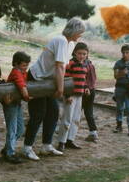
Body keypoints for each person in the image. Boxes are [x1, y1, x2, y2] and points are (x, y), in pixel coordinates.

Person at [23, 17, 86, 161]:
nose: (80, 36)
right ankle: (27, 148)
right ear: (74, 30)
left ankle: (46, 146)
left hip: (49, 81)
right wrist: (61, 89)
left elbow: (62, 67)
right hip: (37, 78)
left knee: (53, 112)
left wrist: (59, 87)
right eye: (80, 32)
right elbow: (59, 66)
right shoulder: (61, 40)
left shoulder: (70, 44)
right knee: (38, 113)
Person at [57, 42, 89, 151]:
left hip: (79, 96)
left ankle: (70, 140)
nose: (82, 56)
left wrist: (86, 88)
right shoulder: (70, 63)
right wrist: (68, 95)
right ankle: (62, 141)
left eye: (84, 54)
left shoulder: (86, 64)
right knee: (67, 119)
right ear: (75, 53)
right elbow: (66, 80)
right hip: (70, 96)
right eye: (79, 53)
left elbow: (83, 79)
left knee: (76, 119)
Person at [2, 52, 31, 164]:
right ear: (15, 64)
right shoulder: (16, 72)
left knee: (20, 130)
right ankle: (10, 153)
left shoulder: (22, 72)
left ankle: (7, 149)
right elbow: (22, 87)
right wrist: (28, 97)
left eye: (26, 66)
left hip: (17, 103)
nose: (25, 68)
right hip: (10, 104)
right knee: (12, 129)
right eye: (23, 65)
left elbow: (26, 82)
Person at [83, 49, 99, 142]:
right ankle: (93, 132)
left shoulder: (84, 65)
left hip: (85, 91)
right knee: (89, 112)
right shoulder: (91, 64)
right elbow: (94, 78)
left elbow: (82, 79)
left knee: (75, 113)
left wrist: (87, 87)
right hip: (92, 90)